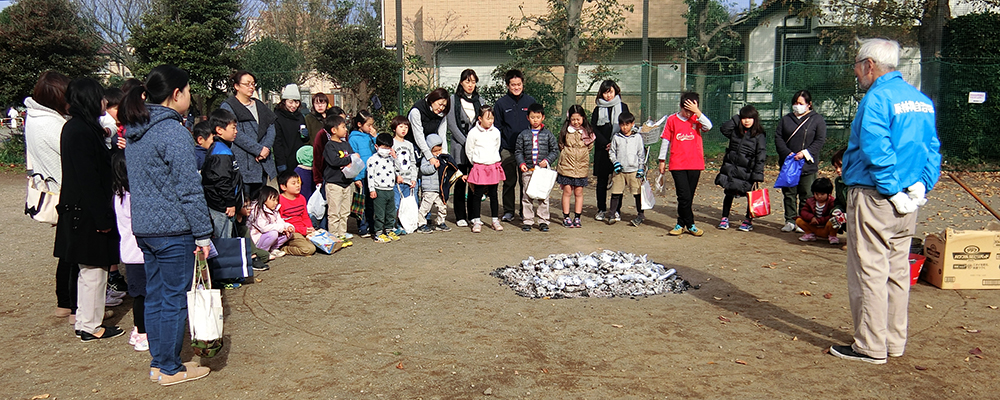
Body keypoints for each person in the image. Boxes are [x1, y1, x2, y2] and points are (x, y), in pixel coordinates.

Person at [828, 38, 941, 365]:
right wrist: (921, 186)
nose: (856, 72)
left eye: (857, 65)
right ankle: (894, 340)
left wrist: (891, 189)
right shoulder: (920, 100)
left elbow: (876, 149)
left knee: (869, 271)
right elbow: (931, 149)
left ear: (869, 65)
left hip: (876, 196)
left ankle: (870, 345)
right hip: (908, 200)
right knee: (896, 271)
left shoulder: (877, 99)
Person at [121, 65, 212, 385]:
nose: (189, 96)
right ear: (176, 94)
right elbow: (189, 189)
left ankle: (160, 363)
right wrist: (202, 234)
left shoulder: (136, 129)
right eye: (187, 91)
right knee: (173, 299)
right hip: (172, 230)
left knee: (157, 296)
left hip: (145, 228)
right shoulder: (173, 132)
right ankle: (171, 368)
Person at [55, 77, 123, 342]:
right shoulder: (81, 131)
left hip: (81, 210)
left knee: (90, 271)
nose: (105, 102)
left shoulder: (80, 128)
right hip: (87, 212)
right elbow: (89, 179)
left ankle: (86, 320)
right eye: (100, 97)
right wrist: (101, 216)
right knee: (94, 271)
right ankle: (90, 325)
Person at [23, 71, 76, 322]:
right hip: (66, 190)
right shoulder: (56, 125)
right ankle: (74, 307)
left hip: (50, 190)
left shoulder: (33, 118)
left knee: (65, 250)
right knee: (75, 253)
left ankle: (63, 302)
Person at [658, 92, 712, 237]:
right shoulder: (672, 119)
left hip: (695, 163)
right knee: (683, 195)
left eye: (693, 109)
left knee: (689, 196)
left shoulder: (697, 118)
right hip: (677, 164)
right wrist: (662, 160)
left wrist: (697, 112)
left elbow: (709, 126)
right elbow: (665, 140)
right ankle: (691, 224)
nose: (689, 113)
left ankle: (681, 224)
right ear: (681, 106)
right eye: (687, 109)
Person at [111, 151, 148, 351]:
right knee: (143, 295)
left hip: (130, 253)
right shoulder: (132, 198)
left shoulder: (119, 195)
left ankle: (139, 330)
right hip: (139, 254)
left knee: (140, 294)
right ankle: (142, 333)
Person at [775, 89, 827, 233]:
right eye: (795, 103)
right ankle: (790, 220)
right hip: (789, 163)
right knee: (789, 194)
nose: (797, 106)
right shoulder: (786, 119)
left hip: (807, 164)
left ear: (809, 104)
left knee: (807, 195)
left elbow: (820, 140)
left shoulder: (817, 119)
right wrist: (788, 153)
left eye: (800, 103)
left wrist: (804, 153)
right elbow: (778, 138)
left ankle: (802, 221)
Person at [221, 70, 276, 197]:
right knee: (246, 204)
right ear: (237, 86)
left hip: (262, 161)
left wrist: (266, 148)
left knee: (260, 204)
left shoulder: (260, 105)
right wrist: (257, 149)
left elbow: (271, 126)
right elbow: (235, 134)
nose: (251, 87)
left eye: (253, 84)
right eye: (247, 84)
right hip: (244, 163)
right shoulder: (229, 106)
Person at [714, 105, 767, 232]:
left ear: (755, 119)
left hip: (748, 170)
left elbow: (761, 155)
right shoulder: (735, 131)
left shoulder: (759, 135)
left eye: (750, 118)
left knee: (750, 195)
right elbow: (724, 128)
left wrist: (758, 174)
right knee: (728, 193)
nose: (746, 121)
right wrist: (736, 118)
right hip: (732, 168)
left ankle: (748, 220)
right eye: (743, 118)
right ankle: (724, 217)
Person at [494, 69, 536, 223]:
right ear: (507, 85)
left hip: (527, 151)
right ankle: (508, 211)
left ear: (523, 84)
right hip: (508, 149)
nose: (516, 87)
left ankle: (525, 211)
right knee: (509, 181)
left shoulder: (530, 101)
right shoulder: (501, 104)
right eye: (513, 85)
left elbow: (536, 124)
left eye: (519, 84)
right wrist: (498, 150)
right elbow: (496, 128)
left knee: (526, 181)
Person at [197, 109, 243, 239]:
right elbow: (222, 180)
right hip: (221, 206)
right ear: (219, 130)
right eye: (233, 128)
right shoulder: (221, 152)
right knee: (223, 239)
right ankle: (223, 259)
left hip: (222, 204)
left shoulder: (222, 148)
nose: (236, 131)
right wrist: (230, 202)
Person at [445, 69, 483, 227]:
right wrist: (466, 141)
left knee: (475, 182)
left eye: (473, 82)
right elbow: (452, 124)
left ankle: (474, 215)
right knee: (460, 181)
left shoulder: (480, 100)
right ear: (461, 82)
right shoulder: (453, 100)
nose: (470, 85)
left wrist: (475, 143)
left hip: (476, 149)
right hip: (459, 147)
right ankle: (460, 215)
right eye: (467, 81)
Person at [514, 103, 558, 232]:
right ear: (528, 118)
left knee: (543, 197)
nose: (535, 120)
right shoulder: (523, 135)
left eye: (538, 117)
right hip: (528, 171)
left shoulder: (548, 135)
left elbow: (555, 150)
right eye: (532, 117)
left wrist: (547, 160)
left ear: (542, 117)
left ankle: (543, 221)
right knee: (527, 196)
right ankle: (527, 220)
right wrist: (521, 163)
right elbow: (518, 151)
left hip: (542, 172)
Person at [591, 80, 630, 221]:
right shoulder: (597, 109)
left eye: (611, 92)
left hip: (619, 150)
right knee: (601, 181)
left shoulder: (623, 107)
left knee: (618, 181)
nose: (608, 95)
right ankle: (601, 209)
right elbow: (593, 128)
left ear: (616, 91)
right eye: (605, 92)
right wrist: (605, 143)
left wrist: (614, 143)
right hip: (602, 150)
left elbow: (626, 126)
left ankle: (616, 210)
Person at [466, 106, 505, 233]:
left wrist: (491, 160)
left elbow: (497, 146)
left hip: (493, 166)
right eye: (487, 118)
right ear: (479, 118)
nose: (490, 121)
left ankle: (495, 220)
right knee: (477, 195)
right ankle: (476, 221)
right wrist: (477, 163)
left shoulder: (496, 132)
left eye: (492, 118)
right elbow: (469, 150)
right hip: (479, 167)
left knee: (493, 194)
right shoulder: (473, 133)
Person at [556, 105, 595, 228]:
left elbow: (589, 147)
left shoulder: (587, 132)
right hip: (566, 166)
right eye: (573, 119)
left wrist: (581, 155)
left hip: (581, 167)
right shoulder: (565, 131)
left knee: (579, 192)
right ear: (569, 119)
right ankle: (566, 217)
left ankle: (577, 217)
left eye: (578, 119)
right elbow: (561, 144)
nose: (576, 122)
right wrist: (568, 155)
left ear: (583, 118)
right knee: (567, 191)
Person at [607, 112, 646, 227]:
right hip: (619, 171)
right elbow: (612, 152)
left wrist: (640, 168)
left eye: (627, 124)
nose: (625, 127)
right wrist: (615, 163)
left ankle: (640, 215)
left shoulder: (637, 137)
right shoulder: (616, 137)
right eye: (622, 125)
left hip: (633, 171)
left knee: (637, 193)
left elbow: (641, 154)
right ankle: (612, 214)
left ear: (632, 124)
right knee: (616, 193)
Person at [323, 114, 356, 245]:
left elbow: (353, 158)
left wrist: (352, 160)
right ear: (334, 130)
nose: (346, 129)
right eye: (343, 127)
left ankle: (342, 234)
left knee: (345, 211)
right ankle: (334, 236)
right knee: (334, 212)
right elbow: (334, 160)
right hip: (334, 184)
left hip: (346, 183)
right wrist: (349, 159)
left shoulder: (346, 144)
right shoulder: (329, 146)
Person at [367, 133, 401, 242]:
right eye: (384, 148)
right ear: (376, 147)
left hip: (390, 189)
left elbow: (399, 169)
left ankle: (389, 230)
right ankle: (378, 233)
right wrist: (372, 189)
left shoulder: (391, 159)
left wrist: (395, 158)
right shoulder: (372, 160)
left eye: (388, 148)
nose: (386, 150)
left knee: (391, 212)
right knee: (380, 213)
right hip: (379, 190)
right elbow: (370, 176)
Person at [349, 110, 378, 237]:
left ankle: (372, 225)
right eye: (368, 125)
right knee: (361, 202)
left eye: (372, 125)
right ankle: (362, 227)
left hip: (372, 174)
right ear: (360, 124)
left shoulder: (370, 136)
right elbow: (353, 159)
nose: (371, 128)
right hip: (361, 174)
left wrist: (375, 136)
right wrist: (356, 177)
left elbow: (378, 148)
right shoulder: (353, 138)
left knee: (371, 202)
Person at [415, 134, 453, 234]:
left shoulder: (441, 158)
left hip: (438, 189)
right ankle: (421, 224)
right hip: (429, 189)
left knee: (442, 206)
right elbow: (423, 169)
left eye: (439, 150)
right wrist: (433, 167)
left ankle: (440, 222)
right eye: (435, 151)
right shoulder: (426, 159)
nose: (437, 153)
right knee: (425, 208)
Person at [276, 170, 318, 256]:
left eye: (298, 182)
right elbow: (281, 222)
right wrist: (303, 230)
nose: (298, 185)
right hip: (292, 232)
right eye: (293, 183)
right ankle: (284, 248)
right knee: (309, 249)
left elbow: (305, 216)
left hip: (304, 230)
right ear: (283, 187)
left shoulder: (301, 198)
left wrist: (310, 228)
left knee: (323, 243)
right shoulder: (279, 201)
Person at [249, 186, 295, 259]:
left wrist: (288, 227)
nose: (276, 203)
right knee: (273, 234)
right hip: (257, 239)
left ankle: (273, 249)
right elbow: (263, 228)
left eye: (277, 200)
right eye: (273, 200)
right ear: (264, 199)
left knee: (288, 233)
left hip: (267, 235)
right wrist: (280, 228)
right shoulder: (257, 211)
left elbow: (280, 222)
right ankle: (262, 252)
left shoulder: (274, 210)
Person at [273, 84, 308, 173]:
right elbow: (277, 142)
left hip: (299, 160)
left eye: (297, 102)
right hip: (284, 159)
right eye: (290, 102)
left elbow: (304, 140)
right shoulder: (277, 117)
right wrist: (280, 162)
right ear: (284, 101)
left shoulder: (300, 116)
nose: (294, 106)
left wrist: (306, 135)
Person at [391, 116, 417, 234]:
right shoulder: (391, 143)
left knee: (407, 204)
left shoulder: (409, 145)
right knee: (396, 204)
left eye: (406, 127)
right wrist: (396, 176)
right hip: (397, 181)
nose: (403, 129)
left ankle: (404, 225)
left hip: (408, 180)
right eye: (401, 126)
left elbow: (413, 162)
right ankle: (392, 225)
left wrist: (413, 178)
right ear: (394, 128)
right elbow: (390, 162)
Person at [796, 177, 838, 244]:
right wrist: (811, 217)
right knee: (799, 220)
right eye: (816, 194)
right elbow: (804, 211)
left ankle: (832, 236)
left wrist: (819, 220)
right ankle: (810, 234)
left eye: (822, 194)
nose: (819, 196)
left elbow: (831, 215)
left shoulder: (832, 202)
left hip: (826, 227)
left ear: (829, 193)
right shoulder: (810, 201)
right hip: (814, 225)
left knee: (834, 221)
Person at [830, 147, 848, 237]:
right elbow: (838, 201)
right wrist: (837, 210)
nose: (838, 170)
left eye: (841, 166)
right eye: (836, 167)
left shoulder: (859, 183)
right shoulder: (838, 181)